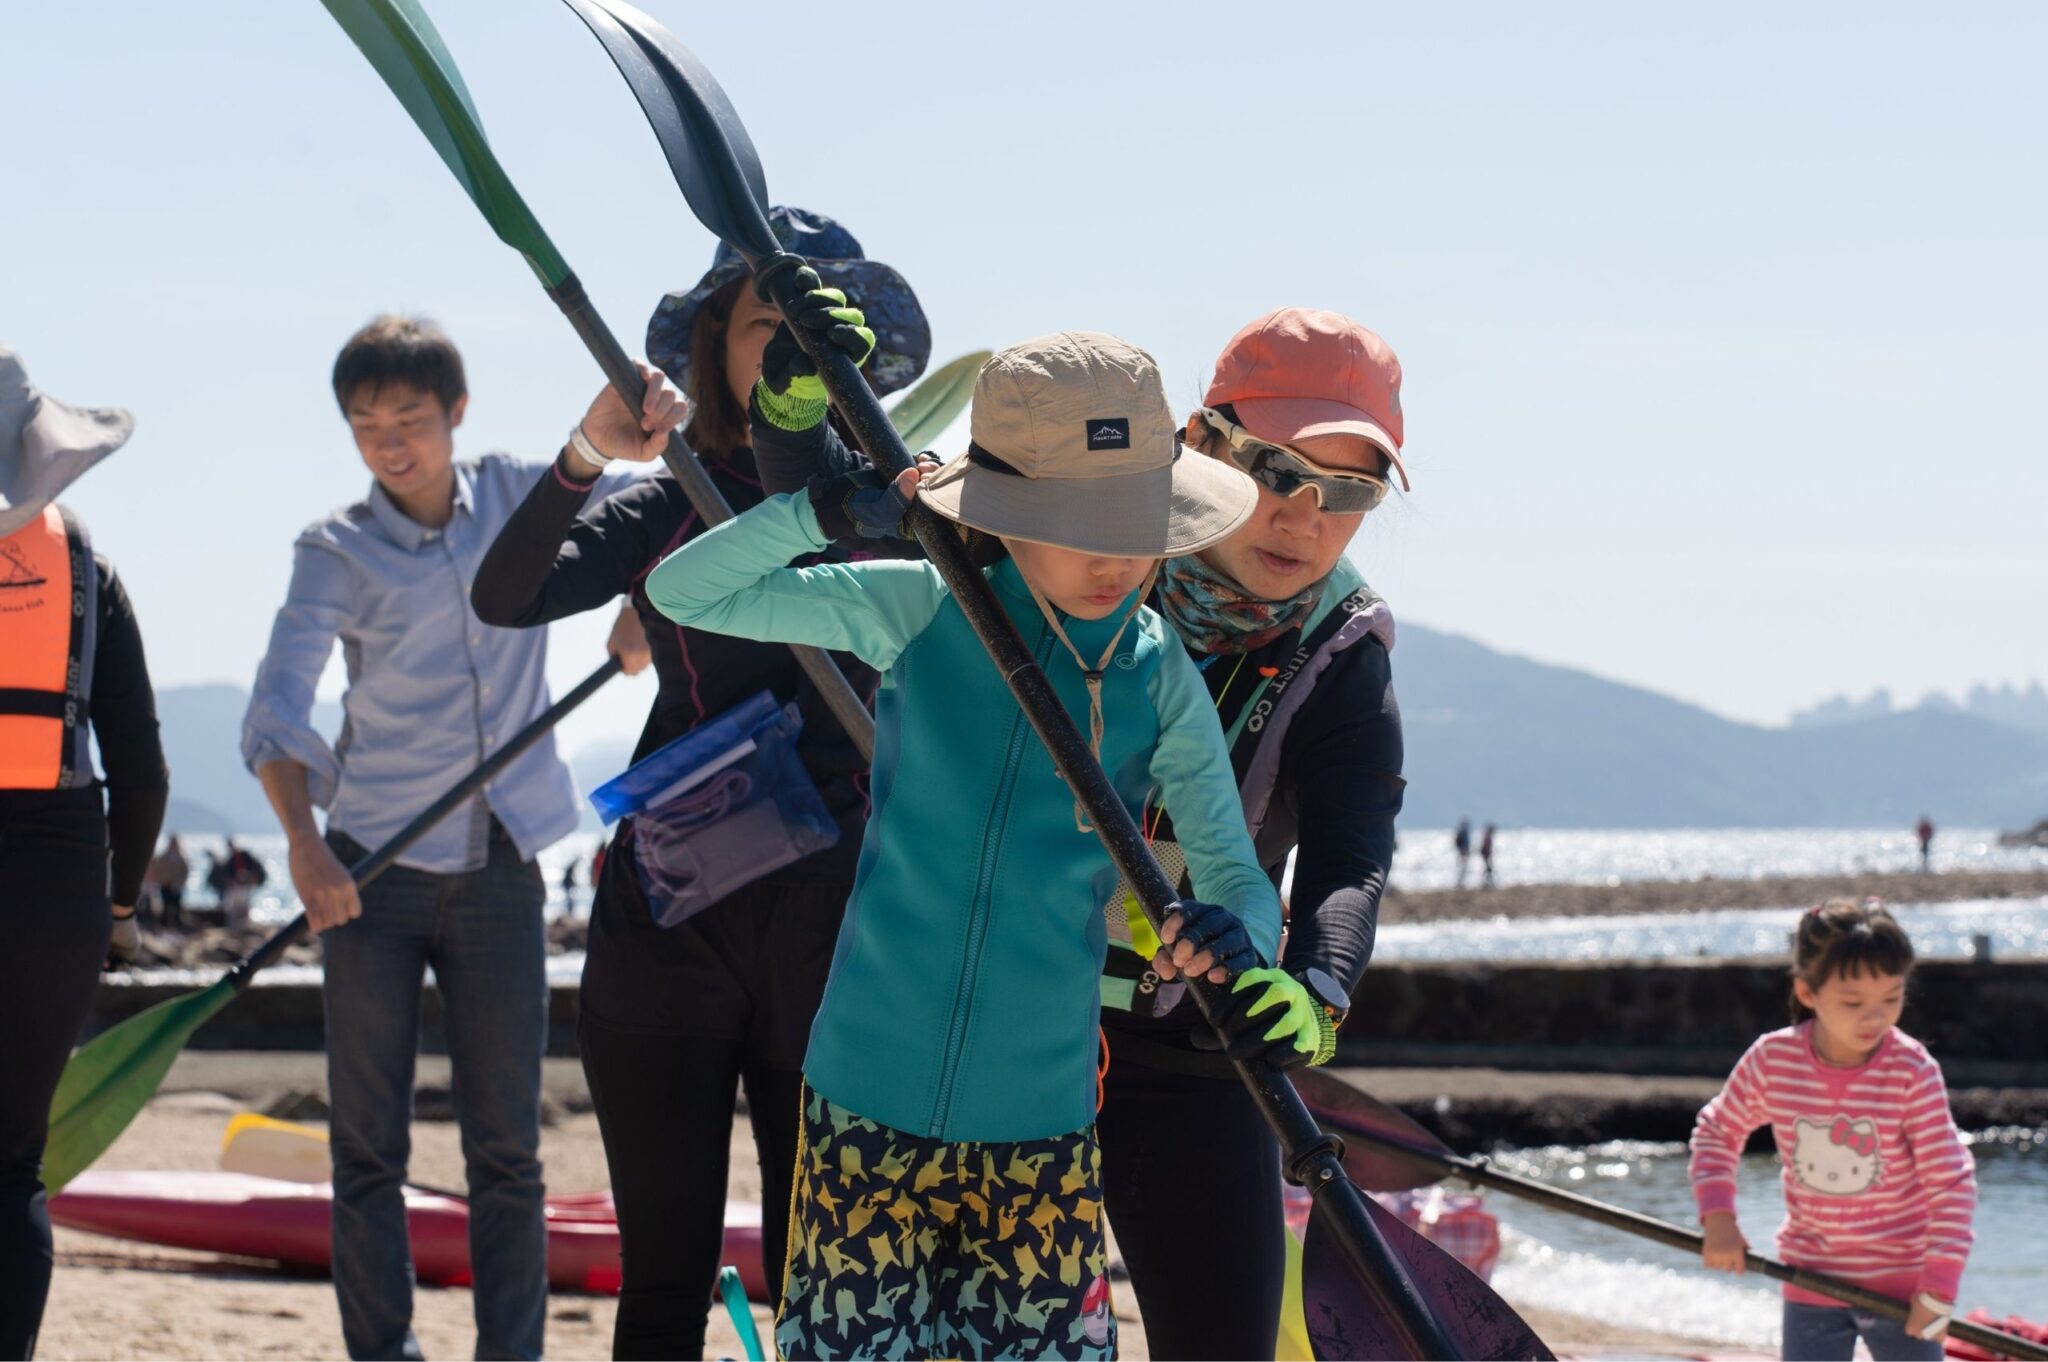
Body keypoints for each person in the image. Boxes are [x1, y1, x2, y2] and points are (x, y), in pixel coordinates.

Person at [749, 305, 1412, 1357]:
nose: (1306, 518)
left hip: (1187, 1049)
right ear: (1200, 445)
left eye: (1350, 493)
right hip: (974, 1036)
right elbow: (841, 499)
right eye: (1281, 472)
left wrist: (1317, 992)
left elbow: (1350, 854)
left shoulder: (1340, 651)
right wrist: (788, 395)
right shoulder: (1032, 529)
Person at [646, 329, 1286, 1360]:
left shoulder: (1157, 673)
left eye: (1134, 519)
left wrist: (1241, 944)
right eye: (1077, 520)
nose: (1116, 554)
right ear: (1003, 514)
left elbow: (1234, 876)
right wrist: (822, 509)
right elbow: (684, 595)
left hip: (1039, 1129)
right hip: (864, 1101)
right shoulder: (924, 608)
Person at [469, 206, 932, 1361]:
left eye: (817, 329)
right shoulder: (674, 494)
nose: (787, 349)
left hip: (837, 930)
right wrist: (585, 453)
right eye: (761, 323)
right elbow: (508, 596)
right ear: (713, 347)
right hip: (673, 914)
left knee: (822, 1280)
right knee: (665, 1281)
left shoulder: (906, 503)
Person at [242, 314, 675, 1361]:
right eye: (365, 425)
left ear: (457, 414)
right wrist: (302, 846)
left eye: (410, 420)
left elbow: (679, 504)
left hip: (502, 861)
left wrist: (644, 602)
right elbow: (276, 707)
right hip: (369, 870)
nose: (391, 444)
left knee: (507, 1152)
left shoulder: (532, 496)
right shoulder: (333, 550)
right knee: (366, 1151)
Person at [0, 345, 168, 1359]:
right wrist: (116, 913)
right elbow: (140, 768)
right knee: (13, 1161)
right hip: (57, 866)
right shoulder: (84, 564)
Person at [1690, 898, 1976, 1361]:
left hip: (1903, 1290)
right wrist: (1719, 1217)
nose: (1875, 1016)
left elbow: (1952, 1183)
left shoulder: (1910, 1070)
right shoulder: (1774, 1060)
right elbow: (1718, 1133)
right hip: (1810, 1278)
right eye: (1853, 1001)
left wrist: (1939, 1287)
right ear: (1808, 993)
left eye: (1892, 997)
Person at [145, 833, 189, 929]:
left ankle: (177, 925)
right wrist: (160, 880)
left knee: (176, 906)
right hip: (165, 885)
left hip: (176, 886)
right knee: (165, 906)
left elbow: (185, 871)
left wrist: (180, 882)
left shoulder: (181, 857)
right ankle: (164, 925)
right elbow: (157, 869)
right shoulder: (164, 856)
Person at [1454, 817, 1473, 888]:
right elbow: (1461, 843)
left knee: (1463, 868)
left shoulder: (1463, 832)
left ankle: (1460, 883)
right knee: (1462, 868)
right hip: (1463, 852)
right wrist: (1463, 850)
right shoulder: (1463, 832)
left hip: (1463, 852)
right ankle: (1460, 883)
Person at [1481, 823, 1497, 888]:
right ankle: (1487, 883)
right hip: (1486, 855)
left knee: (1488, 869)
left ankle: (1487, 883)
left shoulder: (1487, 835)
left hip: (1486, 855)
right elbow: (1486, 847)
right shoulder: (1488, 836)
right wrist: (1488, 854)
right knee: (1488, 869)